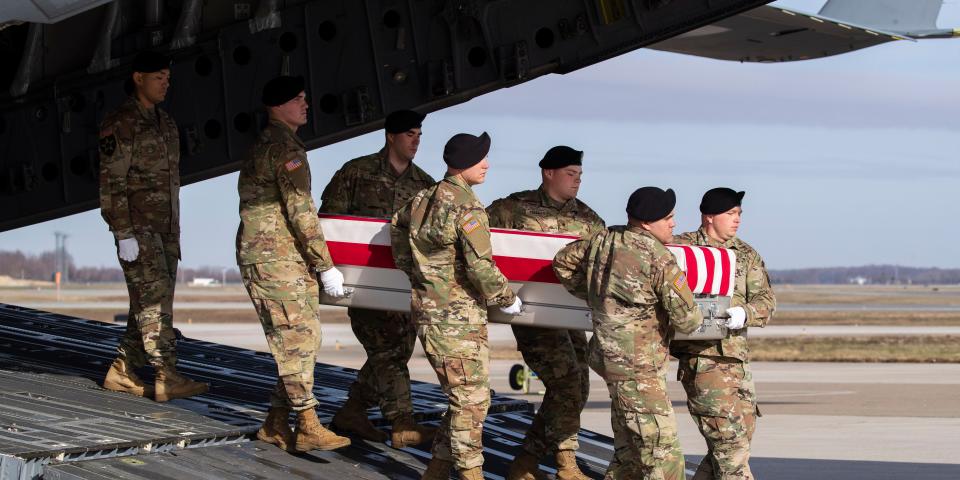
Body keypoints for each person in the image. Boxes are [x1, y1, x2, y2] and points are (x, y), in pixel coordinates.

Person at [391, 132, 522, 480]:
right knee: (472, 401)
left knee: (462, 396)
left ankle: (437, 468)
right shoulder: (467, 205)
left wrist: (417, 272)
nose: (487, 164)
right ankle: (470, 473)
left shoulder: (423, 198)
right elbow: (481, 266)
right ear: (465, 163)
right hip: (457, 316)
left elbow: (396, 228)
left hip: (429, 308)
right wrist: (506, 298)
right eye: (482, 159)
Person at [553, 187, 703, 480]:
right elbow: (687, 319)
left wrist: (597, 296)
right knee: (663, 450)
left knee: (628, 446)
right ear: (647, 223)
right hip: (639, 367)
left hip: (609, 359)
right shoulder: (659, 258)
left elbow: (563, 262)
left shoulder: (603, 240)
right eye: (669, 218)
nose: (674, 223)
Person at [236, 75, 350, 453]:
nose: (306, 105)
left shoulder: (270, 143)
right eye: (298, 99)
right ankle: (307, 423)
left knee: (302, 339)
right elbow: (302, 211)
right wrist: (325, 264)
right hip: (276, 259)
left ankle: (275, 422)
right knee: (296, 341)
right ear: (278, 106)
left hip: (274, 256)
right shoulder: (287, 150)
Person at [486, 146, 604, 480]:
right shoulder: (512, 208)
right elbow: (475, 243)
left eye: (580, 175)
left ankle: (546, 459)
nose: (577, 181)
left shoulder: (590, 220)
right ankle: (545, 461)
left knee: (578, 387)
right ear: (548, 173)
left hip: (571, 318)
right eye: (570, 174)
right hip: (531, 314)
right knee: (566, 383)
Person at [319, 110, 436, 447]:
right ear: (390, 137)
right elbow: (328, 224)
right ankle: (403, 423)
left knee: (396, 350)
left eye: (419, 135)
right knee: (387, 351)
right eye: (409, 134)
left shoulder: (425, 186)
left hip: (403, 290)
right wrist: (330, 272)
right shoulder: (356, 173)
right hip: (363, 284)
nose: (415, 141)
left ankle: (353, 412)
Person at [99, 51, 208, 402]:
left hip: (166, 231)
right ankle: (167, 374)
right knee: (154, 305)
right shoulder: (121, 123)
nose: (165, 83)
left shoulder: (167, 124)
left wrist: (173, 233)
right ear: (138, 78)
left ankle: (122, 370)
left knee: (149, 301)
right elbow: (111, 182)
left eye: (167, 78)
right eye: (158, 77)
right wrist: (122, 232)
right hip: (139, 230)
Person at [670, 188, 776, 480]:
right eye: (731, 213)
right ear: (709, 217)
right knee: (729, 445)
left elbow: (766, 301)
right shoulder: (679, 250)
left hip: (737, 363)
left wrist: (745, 313)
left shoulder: (745, 254)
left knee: (738, 441)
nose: (737, 219)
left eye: (739, 213)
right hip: (703, 360)